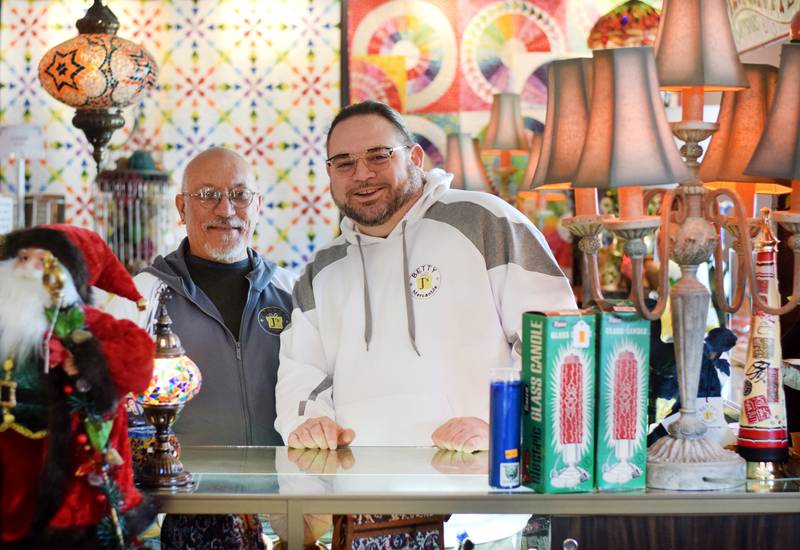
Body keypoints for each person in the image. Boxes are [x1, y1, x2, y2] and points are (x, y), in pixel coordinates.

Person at [275, 100, 577, 547]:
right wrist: (311, 422)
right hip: (362, 522)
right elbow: (301, 376)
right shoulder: (321, 270)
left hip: (483, 520)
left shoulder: (485, 222)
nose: (361, 174)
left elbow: (557, 343)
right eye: (344, 163)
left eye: (379, 156)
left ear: (415, 158)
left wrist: (504, 427)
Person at [106, 147, 300, 548]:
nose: (226, 209)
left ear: (258, 206)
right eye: (208, 194)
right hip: (177, 518)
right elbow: (112, 410)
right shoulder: (139, 298)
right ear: (182, 207)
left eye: (240, 195)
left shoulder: (293, 292)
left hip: (281, 513)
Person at [0, 224, 156, 549]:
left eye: (41, 261)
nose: (27, 268)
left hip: (61, 455)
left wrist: (86, 355)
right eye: (23, 257)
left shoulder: (84, 322)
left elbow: (138, 357)